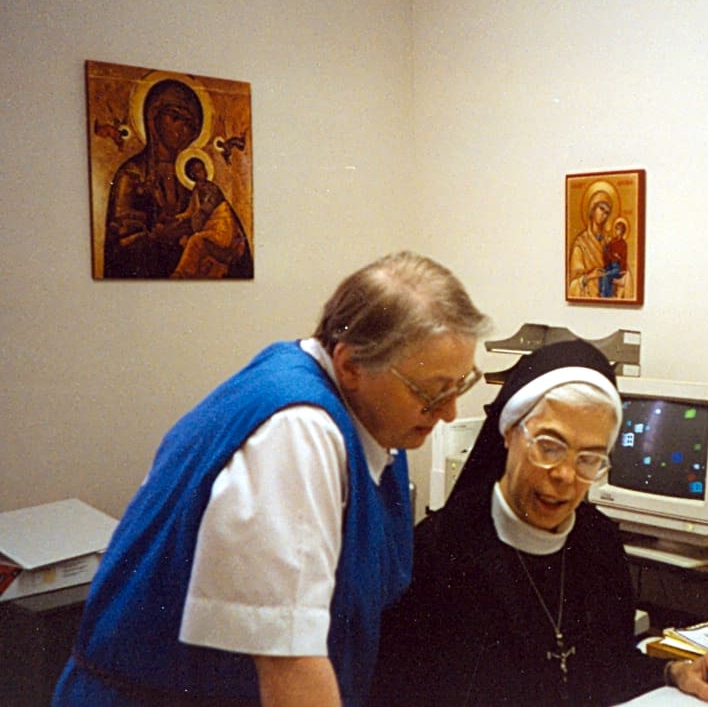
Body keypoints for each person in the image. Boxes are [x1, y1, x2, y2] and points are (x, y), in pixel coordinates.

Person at [53, 251, 490, 707]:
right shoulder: (297, 433)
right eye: (431, 391)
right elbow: (288, 667)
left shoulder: (374, 417)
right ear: (351, 366)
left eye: (459, 385)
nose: (448, 412)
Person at [368, 340, 708, 707]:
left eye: (590, 458)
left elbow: (603, 672)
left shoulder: (599, 542)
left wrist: (676, 671)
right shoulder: (436, 556)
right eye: (550, 447)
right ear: (508, 432)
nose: (567, 476)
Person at [103, 79, 203, 278]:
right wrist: (160, 236)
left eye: (190, 125)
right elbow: (123, 246)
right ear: (153, 116)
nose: (182, 128)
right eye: (175, 117)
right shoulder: (132, 174)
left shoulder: (191, 178)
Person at [171, 157, 254, 278]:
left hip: (223, 226)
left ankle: (181, 273)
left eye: (203, 168)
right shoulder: (196, 191)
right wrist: (177, 218)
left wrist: (195, 226)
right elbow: (190, 211)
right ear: (192, 175)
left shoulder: (212, 188)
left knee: (195, 240)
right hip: (211, 225)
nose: (203, 172)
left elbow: (205, 210)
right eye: (198, 171)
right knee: (186, 240)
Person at [568, 185, 614, 299]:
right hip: (589, 294)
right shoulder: (580, 244)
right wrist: (590, 276)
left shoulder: (609, 241)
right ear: (592, 209)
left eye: (607, 212)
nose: (604, 214)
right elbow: (573, 284)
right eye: (601, 209)